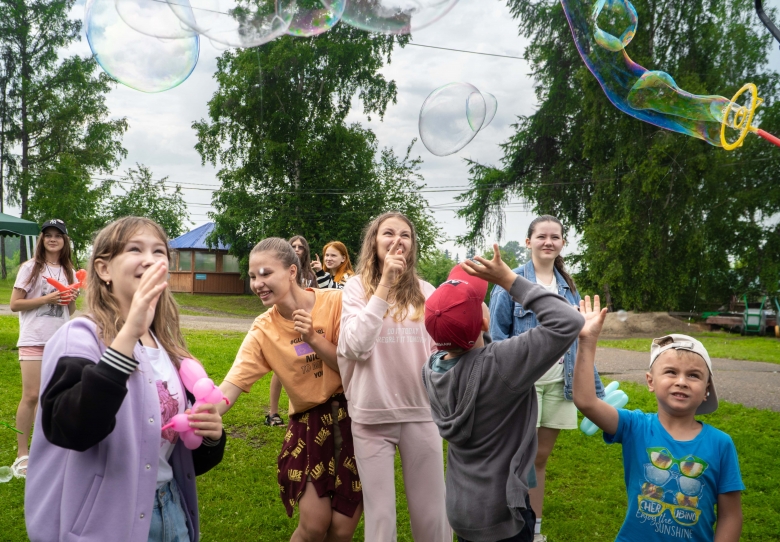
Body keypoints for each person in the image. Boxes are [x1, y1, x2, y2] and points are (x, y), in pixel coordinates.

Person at [25, 216, 226, 542]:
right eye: (135, 249)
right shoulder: (79, 338)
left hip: (171, 509)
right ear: (104, 270)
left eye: (159, 251)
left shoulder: (167, 347)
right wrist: (128, 333)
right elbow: (71, 429)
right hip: (106, 522)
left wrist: (211, 436)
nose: (150, 258)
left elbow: (164, 451)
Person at [422, 247, 585, 542]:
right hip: (503, 515)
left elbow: (469, 351)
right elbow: (568, 321)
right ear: (484, 322)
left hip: (462, 511)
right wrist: (510, 279)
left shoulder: (431, 369)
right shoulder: (501, 364)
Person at [218, 237, 362, 542]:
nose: (257, 283)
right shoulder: (263, 329)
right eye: (253, 276)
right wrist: (204, 415)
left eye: (266, 273)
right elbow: (232, 384)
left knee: (341, 530)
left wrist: (311, 336)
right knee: (313, 526)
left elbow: (353, 366)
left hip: (356, 422)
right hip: (310, 427)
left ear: (292, 271)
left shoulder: (336, 303)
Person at [573, 297, 744, 541]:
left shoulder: (721, 444)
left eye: (693, 375)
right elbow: (586, 401)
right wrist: (587, 342)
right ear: (650, 381)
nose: (681, 381)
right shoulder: (635, 427)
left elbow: (731, 515)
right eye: (671, 372)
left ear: (707, 389)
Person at [488, 215, 605, 541]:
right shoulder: (509, 282)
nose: (548, 241)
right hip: (521, 389)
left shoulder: (568, 287)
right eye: (541, 236)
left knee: (539, 461)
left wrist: (595, 392)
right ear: (528, 242)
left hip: (558, 385)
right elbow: (496, 340)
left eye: (555, 237)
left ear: (562, 244)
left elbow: (579, 338)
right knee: (515, 461)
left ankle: (533, 530)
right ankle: (507, 523)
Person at [337, 211, 450, 542]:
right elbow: (355, 346)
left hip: (421, 415)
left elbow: (439, 355)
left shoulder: (428, 292)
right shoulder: (356, 288)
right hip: (372, 417)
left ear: (413, 246)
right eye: (388, 233)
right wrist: (384, 285)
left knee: (433, 515)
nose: (397, 240)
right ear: (374, 242)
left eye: (405, 235)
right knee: (381, 519)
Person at [9, 219, 79, 479]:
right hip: (33, 339)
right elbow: (15, 304)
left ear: (64, 241)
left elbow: (69, 310)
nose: (52, 239)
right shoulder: (30, 268)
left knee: (51, 398)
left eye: (57, 235)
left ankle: (45, 451)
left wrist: (70, 300)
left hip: (59, 340)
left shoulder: (69, 271)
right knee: (31, 395)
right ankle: (22, 454)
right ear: (42, 240)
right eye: (47, 235)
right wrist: (49, 298)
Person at [265, 235, 320, 428]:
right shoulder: (282, 272)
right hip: (286, 325)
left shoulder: (311, 275)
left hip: (306, 324)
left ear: (305, 250)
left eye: (301, 246)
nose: (297, 249)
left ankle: (301, 411)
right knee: (280, 370)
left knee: (304, 368)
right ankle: (272, 413)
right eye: (293, 246)